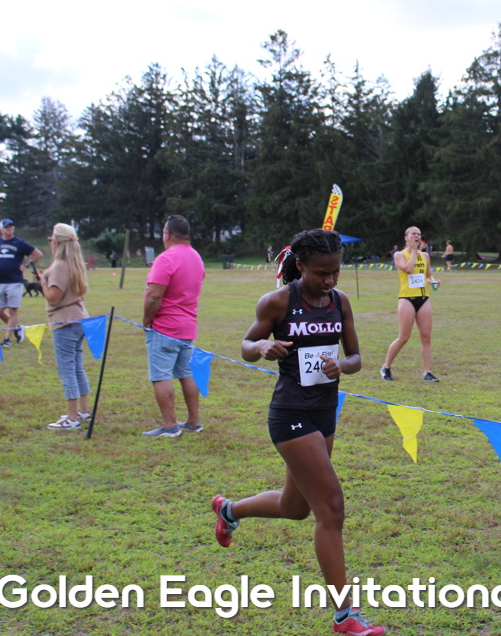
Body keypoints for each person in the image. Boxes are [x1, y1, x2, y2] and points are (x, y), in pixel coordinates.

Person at [212, 230, 385, 636]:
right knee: (331, 508)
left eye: (336, 271)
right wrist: (261, 348)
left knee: (296, 507)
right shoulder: (277, 301)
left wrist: (342, 366)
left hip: (325, 412)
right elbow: (247, 343)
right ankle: (345, 616)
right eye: (321, 273)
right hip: (290, 413)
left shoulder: (340, 302)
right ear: (301, 265)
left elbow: (357, 357)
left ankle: (229, 511)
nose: (330, 280)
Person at [141, 215, 206, 438]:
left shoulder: (166, 258)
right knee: (187, 373)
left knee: (161, 376)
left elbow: (154, 296)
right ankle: (194, 421)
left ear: (167, 234)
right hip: (188, 326)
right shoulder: (196, 257)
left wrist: (147, 320)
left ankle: (169, 426)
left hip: (164, 327)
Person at [43, 224, 92, 430]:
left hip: (64, 322)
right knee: (77, 367)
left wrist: (42, 282)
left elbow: (53, 298)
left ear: (57, 243)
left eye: (51, 240)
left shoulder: (59, 266)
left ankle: (72, 417)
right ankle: (83, 410)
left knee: (67, 370)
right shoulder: (75, 263)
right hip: (79, 319)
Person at [380, 226, 440, 382]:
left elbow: (427, 276)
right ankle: (386, 366)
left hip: (423, 298)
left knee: (426, 337)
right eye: (413, 234)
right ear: (406, 238)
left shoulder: (425, 256)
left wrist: (434, 281)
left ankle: (427, 372)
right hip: (407, 299)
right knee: (404, 337)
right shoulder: (399, 255)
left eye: (419, 234)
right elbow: (408, 269)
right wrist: (413, 252)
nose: (417, 236)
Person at [0, 218, 42, 347]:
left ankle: (7, 339)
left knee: (12, 310)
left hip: (14, 281)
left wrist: (26, 265)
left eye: (11, 226)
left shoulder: (19, 243)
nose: (9, 229)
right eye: (6, 227)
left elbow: (37, 254)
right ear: (1, 229)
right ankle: (17, 329)